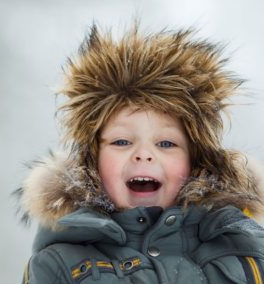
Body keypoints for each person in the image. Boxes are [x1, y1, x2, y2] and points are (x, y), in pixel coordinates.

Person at [15, 23, 264, 283]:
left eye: (166, 144)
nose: (144, 155)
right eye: (122, 142)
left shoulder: (247, 253)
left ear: (197, 161)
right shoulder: (59, 263)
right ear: (91, 160)